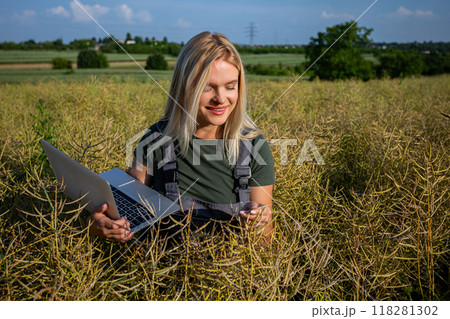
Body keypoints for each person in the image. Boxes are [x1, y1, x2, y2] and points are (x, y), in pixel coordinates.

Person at [88, 31, 275, 244]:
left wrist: (258, 223)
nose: (221, 99)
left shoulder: (254, 146)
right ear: (184, 87)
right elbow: (123, 211)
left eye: (230, 86)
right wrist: (98, 226)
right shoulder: (156, 138)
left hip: (231, 273)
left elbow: (265, 244)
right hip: (161, 272)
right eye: (207, 88)